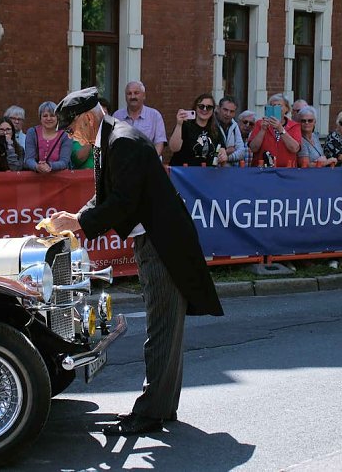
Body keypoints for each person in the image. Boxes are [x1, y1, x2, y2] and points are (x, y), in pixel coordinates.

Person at [46, 87, 223, 436]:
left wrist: (79, 223)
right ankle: (162, 407)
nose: (70, 136)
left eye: (70, 129)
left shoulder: (121, 141)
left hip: (162, 243)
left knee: (161, 328)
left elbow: (122, 203)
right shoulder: (111, 137)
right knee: (167, 329)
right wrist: (77, 217)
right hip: (156, 238)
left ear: (87, 118)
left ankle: (150, 413)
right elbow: (105, 194)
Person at [168, 93, 227, 167]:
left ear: (213, 110)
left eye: (209, 107)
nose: (204, 110)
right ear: (195, 107)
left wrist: (222, 157)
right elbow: (174, 148)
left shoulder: (215, 129)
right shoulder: (185, 125)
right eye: (201, 106)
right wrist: (179, 124)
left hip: (206, 173)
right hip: (183, 173)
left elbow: (222, 152)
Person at [113, 81, 167, 157]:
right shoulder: (117, 116)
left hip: (147, 163)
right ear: (125, 97)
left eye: (136, 93)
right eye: (129, 93)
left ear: (144, 96)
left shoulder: (154, 116)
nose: (132, 97)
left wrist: (152, 160)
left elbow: (159, 142)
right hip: (124, 164)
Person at [248, 93, 301, 167]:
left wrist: (280, 129)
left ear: (287, 108)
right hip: (262, 169)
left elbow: (295, 148)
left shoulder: (294, 126)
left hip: (287, 170)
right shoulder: (260, 124)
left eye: (279, 106)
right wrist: (263, 130)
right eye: (272, 106)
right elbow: (253, 148)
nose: (276, 108)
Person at [24, 101, 72, 173]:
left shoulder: (65, 135)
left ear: (58, 117)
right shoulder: (32, 132)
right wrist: (37, 167)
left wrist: (49, 165)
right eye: (45, 116)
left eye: (52, 115)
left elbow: (64, 161)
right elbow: (29, 159)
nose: (49, 118)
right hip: (35, 178)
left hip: (60, 178)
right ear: (40, 118)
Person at [215, 96, 246, 166]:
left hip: (229, 171)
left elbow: (242, 152)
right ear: (218, 108)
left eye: (231, 111)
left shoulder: (234, 126)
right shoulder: (210, 125)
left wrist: (226, 157)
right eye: (225, 110)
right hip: (211, 171)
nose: (228, 114)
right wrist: (227, 151)